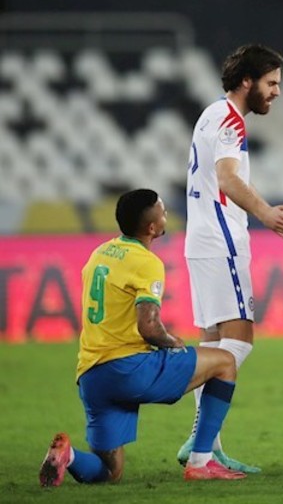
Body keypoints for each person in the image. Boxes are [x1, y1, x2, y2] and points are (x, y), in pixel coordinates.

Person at [39, 189, 245, 487]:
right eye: (162, 212)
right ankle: (201, 460)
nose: (165, 215)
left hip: (92, 375)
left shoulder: (100, 252)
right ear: (151, 228)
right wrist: (176, 344)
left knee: (109, 472)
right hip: (128, 369)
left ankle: (68, 457)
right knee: (225, 362)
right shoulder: (147, 262)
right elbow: (148, 327)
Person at [178, 44, 283, 472]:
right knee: (237, 345)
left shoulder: (211, 113)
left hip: (203, 240)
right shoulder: (230, 120)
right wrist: (267, 213)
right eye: (271, 83)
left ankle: (205, 446)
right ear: (247, 81)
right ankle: (197, 443)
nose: (277, 92)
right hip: (221, 241)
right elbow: (228, 178)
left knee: (214, 342)